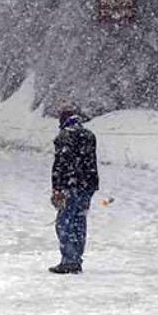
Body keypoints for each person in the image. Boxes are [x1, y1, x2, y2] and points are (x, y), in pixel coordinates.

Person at [49, 108, 99, 274]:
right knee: (79, 221)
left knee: (64, 223)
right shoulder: (89, 135)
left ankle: (69, 260)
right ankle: (77, 258)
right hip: (87, 186)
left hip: (70, 185)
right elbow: (91, 163)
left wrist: (57, 188)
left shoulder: (64, 137)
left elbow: (60, 165)